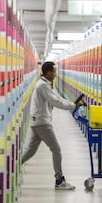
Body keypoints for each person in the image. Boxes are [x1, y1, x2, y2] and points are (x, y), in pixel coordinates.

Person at [21, 61, 85, 190]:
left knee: (31, 151)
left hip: (38, 121)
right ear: (47, 72)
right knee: (56, 149)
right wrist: (73, 106)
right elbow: (55, 101)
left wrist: (73, 104)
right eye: (53, 71)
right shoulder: (42, 86)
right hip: (42, 122)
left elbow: (58, 98)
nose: (55, 74)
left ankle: (11, 169)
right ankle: (59, 180)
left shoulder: (46, 84)